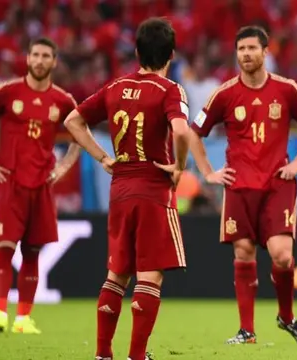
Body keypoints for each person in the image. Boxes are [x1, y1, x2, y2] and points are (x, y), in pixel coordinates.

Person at [63, 17, 190, 360]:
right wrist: (179, 166)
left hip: (119, 188)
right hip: (152, 187)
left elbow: (72, 121)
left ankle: (103, 354)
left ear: (136, 51)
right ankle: (136, 356)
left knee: (116, 274)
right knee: (150, 277)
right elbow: (180, 131)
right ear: (171, 55)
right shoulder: (170, 90)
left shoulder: (116, 86)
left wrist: (103, 157)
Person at [189, 25, 297, 345]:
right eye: (241, 49)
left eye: (252, 48)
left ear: (265, 52)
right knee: (244, 250)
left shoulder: (287, 89)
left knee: (282, 255)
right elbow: (194, 132)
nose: (246, 54)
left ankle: (286, 317)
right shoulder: (224, 93)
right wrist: (208, 172)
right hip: (239, 185)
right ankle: (247, 331)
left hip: (278, 183)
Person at [0, 37, 81, 334]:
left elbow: (82, 134)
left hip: (41, 186)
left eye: (46, 56)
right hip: (9, 183)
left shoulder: (63, 101)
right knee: (5, 248)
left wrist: (65, 166)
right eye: (36, 55)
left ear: (55, 62)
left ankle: (24, 319)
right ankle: (0, 313)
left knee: (32, 253)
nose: (40, 61)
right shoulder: (7, 92)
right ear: (27, 59)